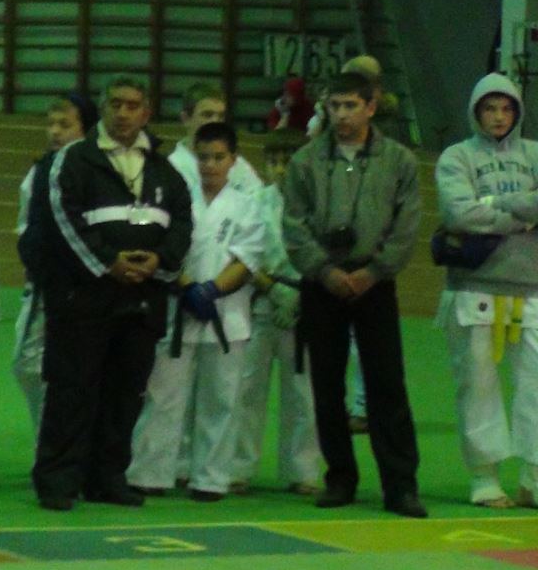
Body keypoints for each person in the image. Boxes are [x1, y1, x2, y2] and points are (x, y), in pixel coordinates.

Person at [31, 76, 192, 510]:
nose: (123, 113)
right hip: (82, 300)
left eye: (132, 105)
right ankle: (58, 480)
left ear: (146, 112)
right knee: (72, 391)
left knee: (125, 395)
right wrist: (108, 263)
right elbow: (61, 220)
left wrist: (159, 262)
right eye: (115, 104)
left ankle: (107, 477)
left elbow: (181, 223)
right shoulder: (72, 160)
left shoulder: (165, 171)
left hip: (141, 302)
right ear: (102, 109)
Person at [283, 70, 425, 518]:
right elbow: (293, 226)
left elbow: (407, 226)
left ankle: (400, 486)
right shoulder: (305, 161)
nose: (341, 115)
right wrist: (323, 270)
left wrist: (375, 270)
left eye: (350, 106)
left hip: (375, 284)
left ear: (371, 107)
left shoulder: (399, 161)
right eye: (334, 106)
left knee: (387, 385)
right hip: (322, 284)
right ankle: (340, 478)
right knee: (326, 387)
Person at [125, 122, 262, 501]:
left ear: (233, 160)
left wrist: (212, 290)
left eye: (219, 158)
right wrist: (186, 286)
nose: (210, 165)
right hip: (177, 307)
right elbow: (165, 247)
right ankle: (150, 472)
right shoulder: (177, 199)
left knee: (221, 399)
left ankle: (211, 478)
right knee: (164, 395)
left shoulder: (247, 205)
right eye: (203, 157)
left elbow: (247, 258)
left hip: (226, 314)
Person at [432, 73, 538, 508]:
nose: (498, 117)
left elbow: (479, 210)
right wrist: (523, 214)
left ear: (517, 112)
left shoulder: (534, 154)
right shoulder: (457, 157)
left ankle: (533, 477)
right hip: (474, 286)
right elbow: (459, 214)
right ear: (476, 112)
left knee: (536, 384)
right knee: (477, 384)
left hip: (531, 285)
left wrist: (493, 203)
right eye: (490, 109)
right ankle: (484, 476)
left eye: (506, 108)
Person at [227, 134, 320, 496]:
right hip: (260, 301)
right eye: (273, 162)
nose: (280, 169)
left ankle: (303, 470)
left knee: (303, 392)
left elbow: (324, 253)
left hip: (304, 303)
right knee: (247, 389)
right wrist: (271, 289)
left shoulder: (318, 204)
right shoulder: (253, 203)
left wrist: (300, 295)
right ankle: (238, 467)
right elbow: (244, 254)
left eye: (288, 161)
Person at [12, 91, 96, 432]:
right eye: (51, 123)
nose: (55, 131)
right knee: (26, 365)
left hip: (86, 289)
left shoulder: (97, 173)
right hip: (44, 286)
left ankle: (71, 445)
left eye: (65, 124)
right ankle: (47, 440)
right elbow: (25, 227)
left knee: (81, 372)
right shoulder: (39, 172)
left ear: (85, 129)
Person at [168, 83, 261, 198]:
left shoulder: (237, 163)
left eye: (221, 116)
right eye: (207, 115)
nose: (216, 122)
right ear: (186, 119)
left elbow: (259, 199)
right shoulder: (172, 168)